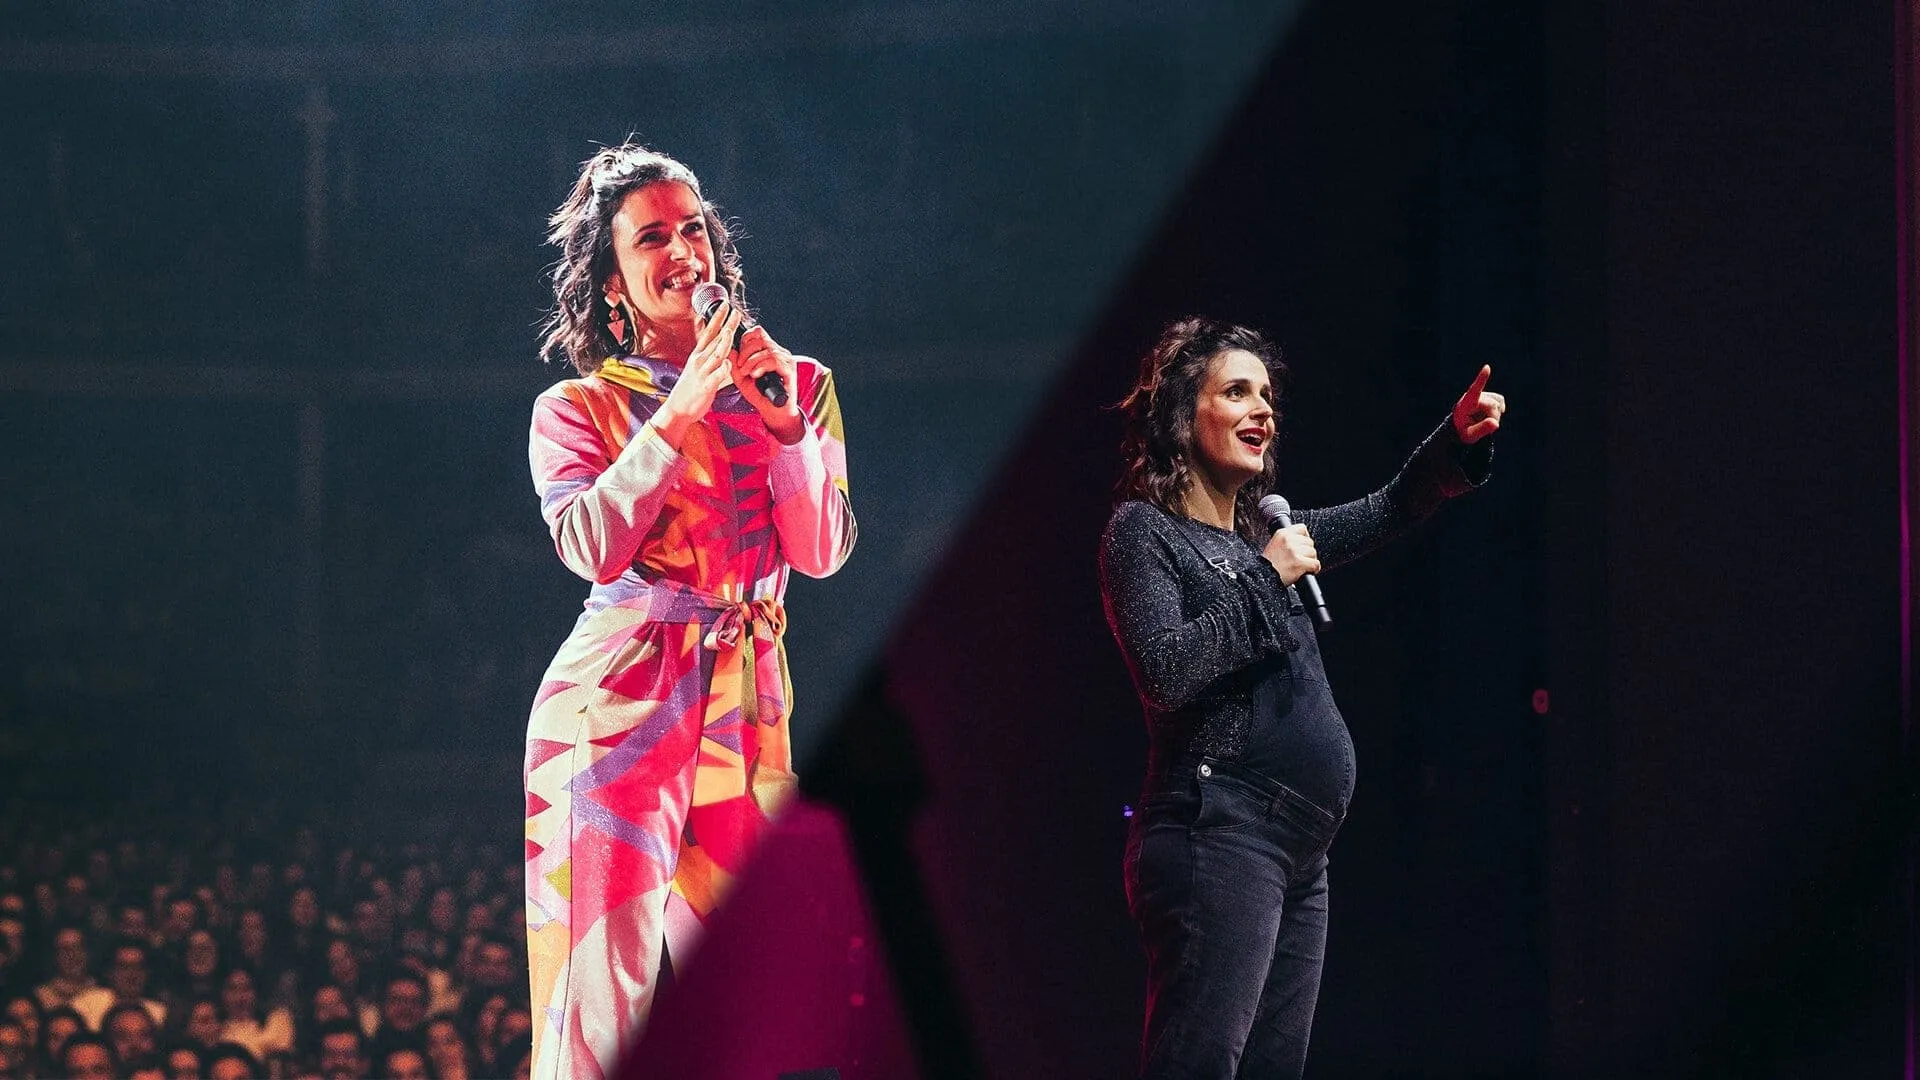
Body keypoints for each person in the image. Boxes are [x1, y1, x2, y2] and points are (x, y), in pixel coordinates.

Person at [523, 142, 856, 1078]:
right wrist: (682, 411)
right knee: (608, 994)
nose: (684, 253)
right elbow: (592, 544)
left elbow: (821, 554)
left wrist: (786, 427)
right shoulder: (578, 407)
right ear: (613, 283)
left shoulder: (798, 382)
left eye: (694, 230)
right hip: (620, 700)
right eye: (652, 238)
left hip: (749, 697)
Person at [1098, 317, 1504, 1078]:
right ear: (1185, 415)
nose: (1264, 410)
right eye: (1238, 391)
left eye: (1269, 396)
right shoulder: (1142, 533)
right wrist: (1266, 576)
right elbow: (1165, 669)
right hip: (1218, 828)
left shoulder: (1266, 533)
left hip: (1298, 849)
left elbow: (1389, 507)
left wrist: (1453, 445)